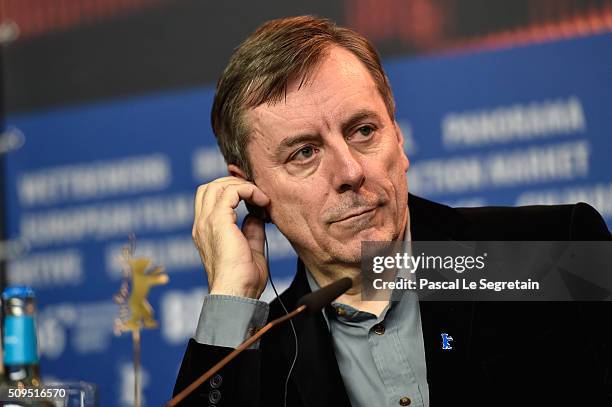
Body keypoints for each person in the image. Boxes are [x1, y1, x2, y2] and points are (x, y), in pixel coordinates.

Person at [174, 16, 612, 406]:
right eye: (304, 153)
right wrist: (230, 297)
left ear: (398, 139)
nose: (349, 171)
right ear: (252, 191)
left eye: (363, 131)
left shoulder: (550, 252)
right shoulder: (258, 358)